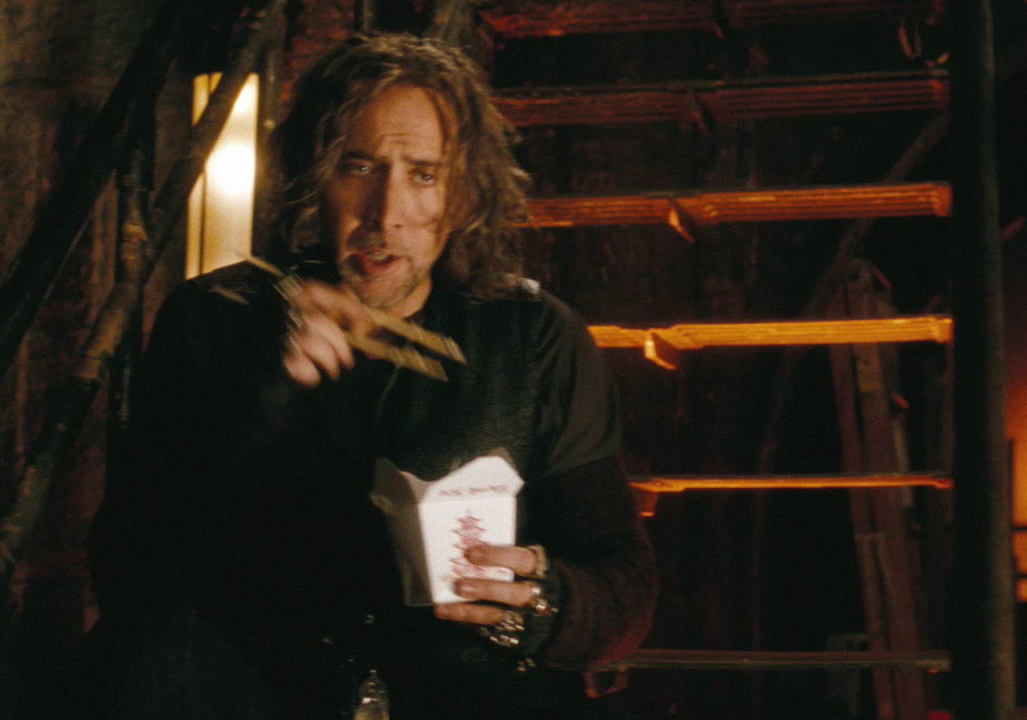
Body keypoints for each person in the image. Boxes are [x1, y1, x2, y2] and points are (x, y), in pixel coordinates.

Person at [86, 33, 657, 719]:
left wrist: (541, 602)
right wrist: (263, 400)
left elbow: (625, 587)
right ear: (312, 175)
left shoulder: (532, 337)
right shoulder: (217, 320)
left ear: (463, 192)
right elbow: (132, 579)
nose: (386, 214)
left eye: (424, 174)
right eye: (357, 167)